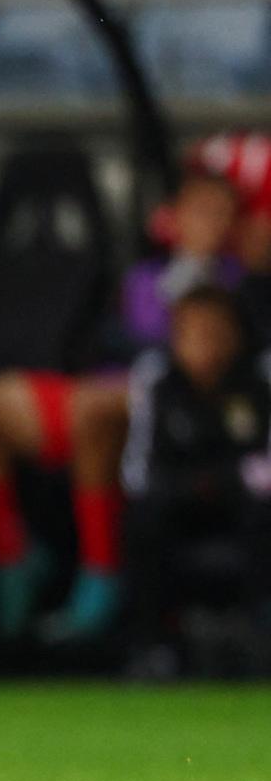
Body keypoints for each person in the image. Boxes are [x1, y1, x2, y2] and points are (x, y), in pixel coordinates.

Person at [0, 172, 244, 642]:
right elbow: (106, 345)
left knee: (96, 411)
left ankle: (101, 574)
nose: (209, 225)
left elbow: (195, 364)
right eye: (198, 211)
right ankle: (14, 557)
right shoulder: (140, 278)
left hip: (157, 404)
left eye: (220, 214)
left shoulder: (239, 287)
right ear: (171, 218)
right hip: (97, 392)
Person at [120, 286, 271, 671]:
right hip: (177, 501)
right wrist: (189, 486)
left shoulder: (260, 381)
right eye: (196, 334)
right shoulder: (157, 380)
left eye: (217, 332)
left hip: (244, 503)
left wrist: (221, 482)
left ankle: (258, 632)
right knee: (144, 519)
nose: (208, 346)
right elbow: (136, 471)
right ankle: (152, 645)